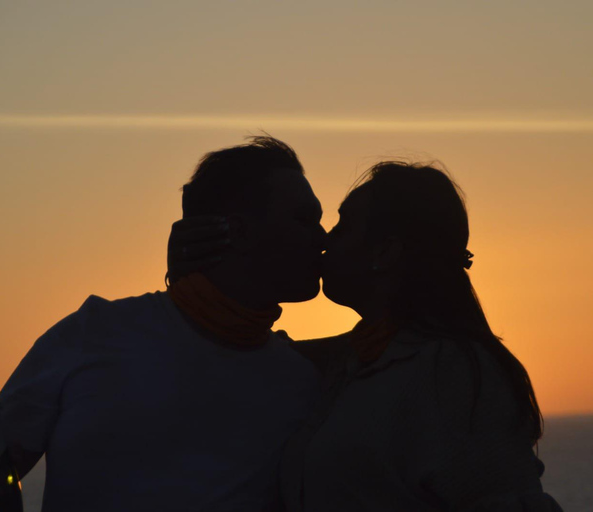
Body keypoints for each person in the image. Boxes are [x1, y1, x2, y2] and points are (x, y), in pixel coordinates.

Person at [0, 136, 326, 512]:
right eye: (305, 220)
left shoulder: (305, 377)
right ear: (237, 231)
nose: (322, 237)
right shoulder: (96, 332)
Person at [172, 161, 562, 511]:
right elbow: (251, 350)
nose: (325, 239)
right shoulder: (355, 358)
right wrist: (201, 271)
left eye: (344, 225)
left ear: (386, 252)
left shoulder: (454, 371)